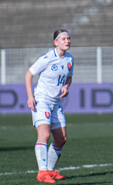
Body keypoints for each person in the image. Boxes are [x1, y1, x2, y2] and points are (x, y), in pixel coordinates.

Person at [25, 29, 74, 184]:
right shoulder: (47, 58)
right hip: (42, 100)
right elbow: (28, 75)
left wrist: (66, 87)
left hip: (55, 103)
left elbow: (69, 77)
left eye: (69, 38)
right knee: (44, 134)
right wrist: (30, 97)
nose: (67, 41)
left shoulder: (70, 59)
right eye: (64, 39)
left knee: (61, 138)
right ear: (55, 42)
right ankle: (42, 172)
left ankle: (50, 170)